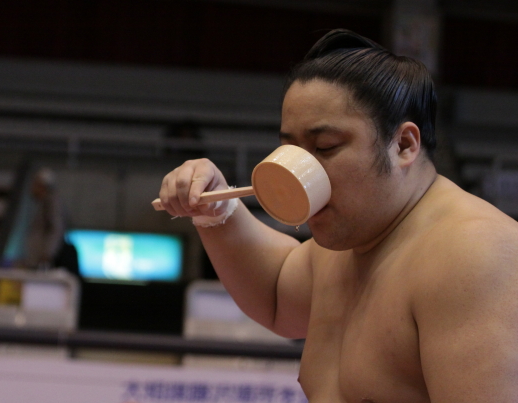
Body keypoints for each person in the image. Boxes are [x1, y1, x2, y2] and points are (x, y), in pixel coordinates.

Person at [157, 29, 518, 401]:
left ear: (403, 144)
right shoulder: (352, 240)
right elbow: (276, 292)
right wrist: (216, 208)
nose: (296, 174)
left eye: (325, 147)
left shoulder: (475, 254)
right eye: (290, 149)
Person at [23, 168, 66, 270]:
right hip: (37, 258)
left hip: (42, 260)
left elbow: (56, 228)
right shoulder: (42, 203)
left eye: (35, 184)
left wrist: (47, 253)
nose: (32, 188)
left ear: (41, 186)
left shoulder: (52, 203)